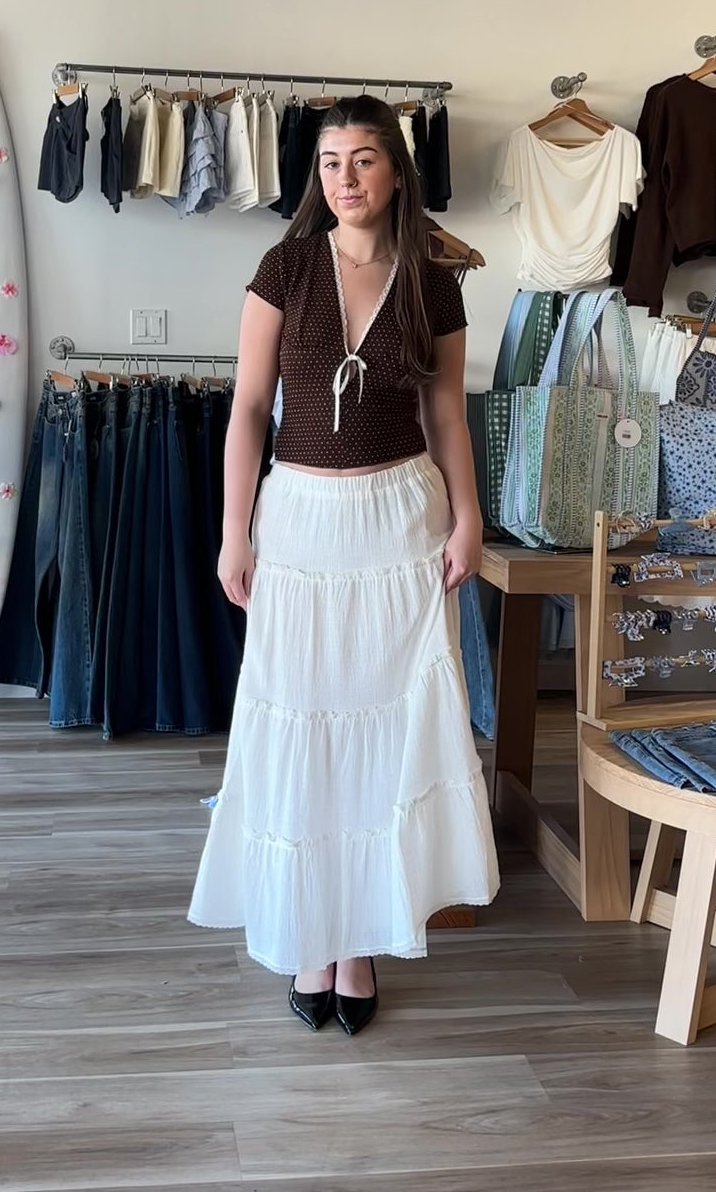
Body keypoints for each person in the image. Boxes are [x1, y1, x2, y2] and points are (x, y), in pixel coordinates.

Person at [187, 96, 499, 1035]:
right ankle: (310, 934)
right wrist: (235, 532)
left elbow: (447, 416)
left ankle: (358, 939)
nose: (345, 178)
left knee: (386, 731)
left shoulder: (434, 283)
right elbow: (249, 410)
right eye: (330, 162)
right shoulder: (284, 268)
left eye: (363, 160)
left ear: (396, 171)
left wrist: (470, 520)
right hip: (302, 524)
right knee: (307, 723)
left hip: (401, 522)